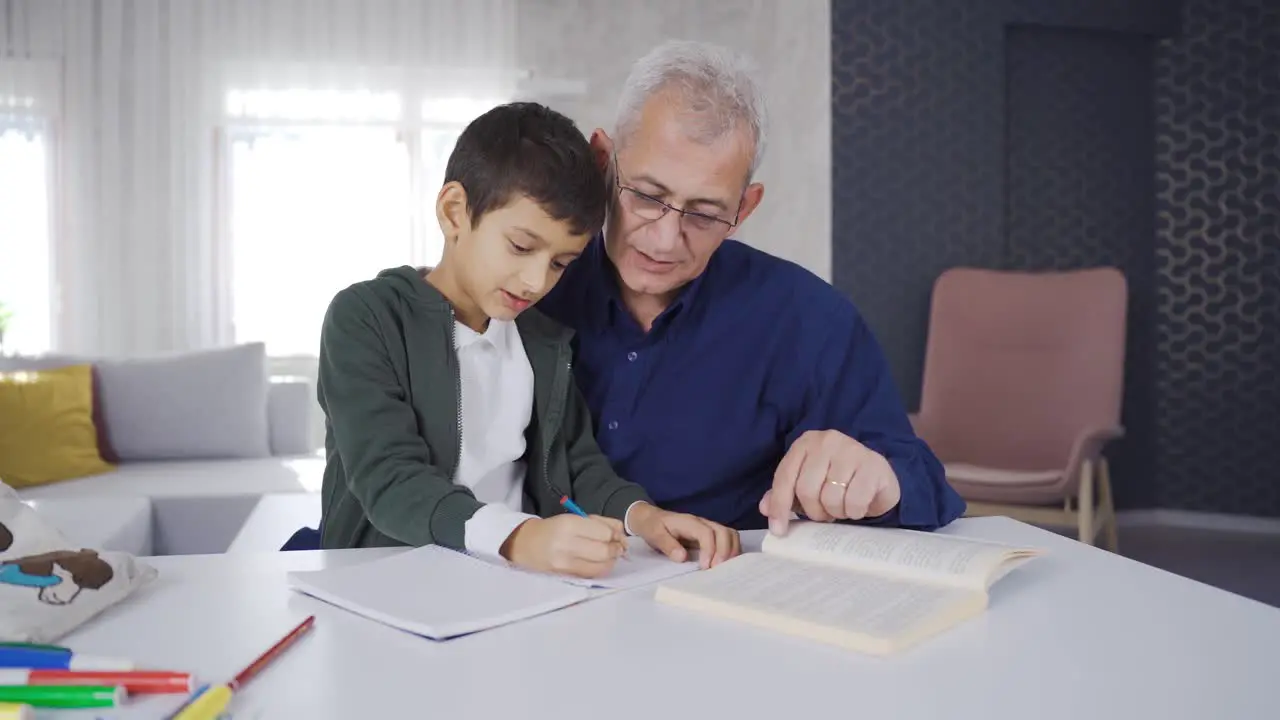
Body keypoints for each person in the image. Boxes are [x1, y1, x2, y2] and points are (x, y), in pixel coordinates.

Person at [537, 41, 967, 536]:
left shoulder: (807, 320)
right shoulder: (532, 287)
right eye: (648, 196)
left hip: (717, 590)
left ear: (744, 209)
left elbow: (926, 485)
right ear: (603, 163)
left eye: (703, 213)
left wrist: (880, 479)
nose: (664, 239)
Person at [315, 102, 740, 578]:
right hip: (382, 579)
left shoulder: (541, 337)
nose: (536, 281)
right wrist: (518, 537)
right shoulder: (367, 318)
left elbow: (576, 464)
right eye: (521, 246)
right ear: (455, 212)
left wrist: (644, 517)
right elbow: (390, 479)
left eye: (561, 263)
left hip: (512, 582)